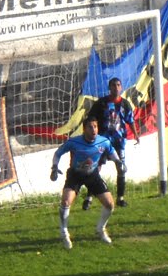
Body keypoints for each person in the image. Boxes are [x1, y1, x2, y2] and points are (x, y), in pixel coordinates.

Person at [50, 116, 126, 249]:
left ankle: (100, 229)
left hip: (92, 175)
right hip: (75, 175)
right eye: (90, 127)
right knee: (66, 202)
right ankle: (64, 233)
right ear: (84, 129)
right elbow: (58, 153)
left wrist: (119, 162)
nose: (94, 130)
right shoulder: (74, 142)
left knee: (109, 204)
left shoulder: (104, 142)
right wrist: (55, 167)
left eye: (95, 126)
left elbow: (112, 152)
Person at [83, 77, 139, 209]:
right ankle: (89, 198)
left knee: (121, 167)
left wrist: (136, 134)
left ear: (121, 87)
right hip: (102, 142)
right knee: (95, 169)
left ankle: (120, 198)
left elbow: (130, 120)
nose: (116, 87)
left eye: (118, 85)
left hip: (119, 142)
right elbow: (90, 119)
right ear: (109, 87)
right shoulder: (101, 103)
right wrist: (89, 135)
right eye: (113, 85)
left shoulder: (125, 104)